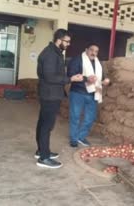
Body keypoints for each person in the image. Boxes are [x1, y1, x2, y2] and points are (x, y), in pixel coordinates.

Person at [35, 29, 83, 169]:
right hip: (50, 94)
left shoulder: (55, 53)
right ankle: (44, 158)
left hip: (50, 93)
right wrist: (70, 79)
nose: (68, 44)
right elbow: (50, 77)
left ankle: (41, 151)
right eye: (67, 41)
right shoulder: (50, 54)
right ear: (59, 39)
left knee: (43, 123)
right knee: (46, 126)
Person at [67, 42, 110, 147]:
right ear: (86, 50)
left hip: (93, 93)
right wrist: (86, 79)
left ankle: (81, 137)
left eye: (96, 51)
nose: (93, 53)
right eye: (92, 50)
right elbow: (71, 74)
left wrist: (106, 81)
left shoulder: (98, 63)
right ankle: (73, 138)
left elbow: (102, 77)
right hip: (78, 92)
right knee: (75, 116)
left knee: (90, 118)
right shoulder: (77, 60)